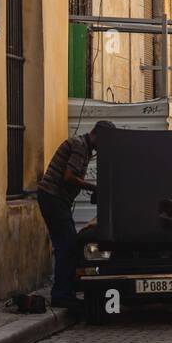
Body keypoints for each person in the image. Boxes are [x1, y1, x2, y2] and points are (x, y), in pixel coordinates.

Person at [37, 121, 115, 309]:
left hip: (55, 199)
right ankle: (62, 294)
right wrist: (94, 187)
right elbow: (69, 177)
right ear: (99, 135)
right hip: (53, 198)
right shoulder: (80, 147)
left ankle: (65, 291)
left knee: (65, 245)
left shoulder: (84, 147)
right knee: (68, 245)